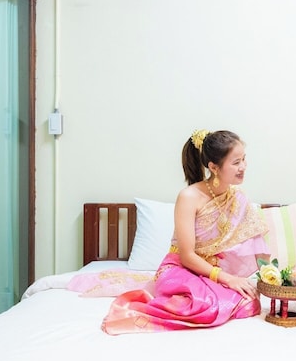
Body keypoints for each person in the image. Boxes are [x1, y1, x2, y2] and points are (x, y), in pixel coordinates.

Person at [93, 129, 269, 334]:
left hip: (211, 272)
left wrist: (271, 276)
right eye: (236, 162)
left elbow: (256, 242)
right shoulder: (189, 197)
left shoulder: (238, 197)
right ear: (214, 167)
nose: (243, 167)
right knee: (203, 304)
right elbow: (186, 256)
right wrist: (228, 279)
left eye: (244, 159)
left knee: (249, 302)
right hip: (181, 269)